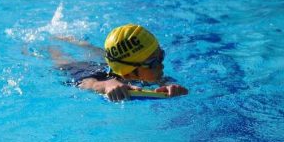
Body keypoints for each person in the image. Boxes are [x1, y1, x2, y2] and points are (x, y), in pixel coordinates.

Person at [52, 25, 188, 102]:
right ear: (129, 72)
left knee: (97, 52)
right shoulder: (101, 78)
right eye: (154, 62)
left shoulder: (149, 74)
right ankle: (52, 40)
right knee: (62, 60)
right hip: (82, 69)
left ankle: (71, 39)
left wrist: (169, 85)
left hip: (113, 63)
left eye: (161, 56)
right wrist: (106, 85)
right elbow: (87, 83)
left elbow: (163, 81)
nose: (161, 65)